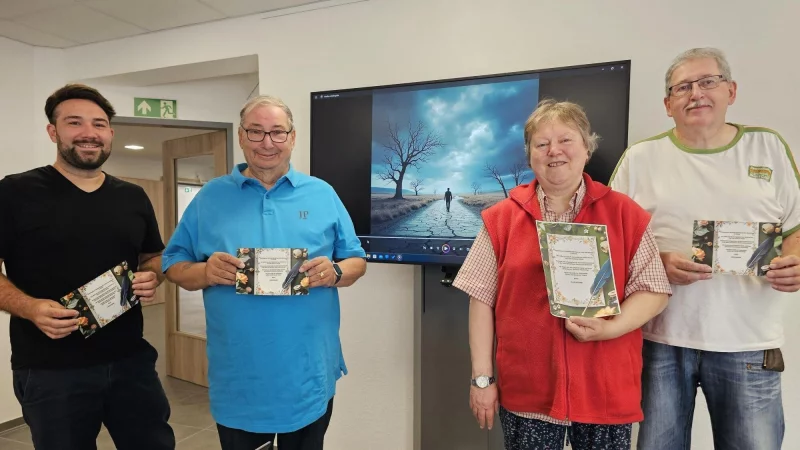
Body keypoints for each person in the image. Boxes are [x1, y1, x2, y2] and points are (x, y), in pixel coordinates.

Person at [453, 99, 671, 450]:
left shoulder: (625, 214)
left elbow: (654, 290)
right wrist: (482, 379)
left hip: (605, 391)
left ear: (587, 147)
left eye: (566, 140)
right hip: (528, 395)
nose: (554, 150)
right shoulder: (500, 219)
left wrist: (610, 328)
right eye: (541, 143)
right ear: (530, 155)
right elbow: (481, 299)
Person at [610, 47, 800, 450]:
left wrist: (796, 260)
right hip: (661, 339)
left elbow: (797, 228)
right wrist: (657, 263)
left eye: (708, 81)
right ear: (667, 104)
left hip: (748, 343)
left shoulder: (769, 149)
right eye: (683, 87)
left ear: (731, 90)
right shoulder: (639, 159)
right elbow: (610, 243)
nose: (696, 93)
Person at [162, 95, 367, 450]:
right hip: (240, 375)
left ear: (292, 137)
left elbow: (357, 262)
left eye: (276, 132)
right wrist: (206, 271)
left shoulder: (322, 194)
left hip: (307, 371)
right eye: (255, 132)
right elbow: (173, 266)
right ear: (241, 137)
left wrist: (334, 271)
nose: (267, 143)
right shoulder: (210, 198)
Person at [0, 84, 175, 449]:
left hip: (131, 361)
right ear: (53, 131)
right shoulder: (14, 192)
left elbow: (152, 256)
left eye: (99, 124)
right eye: (74, 122)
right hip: (51, 370)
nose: (89, 133)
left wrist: (152, 275)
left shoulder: (132, 196)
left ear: (110, 133)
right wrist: (30, 308)